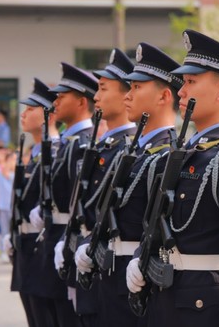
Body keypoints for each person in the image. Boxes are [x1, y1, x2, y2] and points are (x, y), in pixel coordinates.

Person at [126, 29, 219, 327]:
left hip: (205, 310)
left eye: (191, 82)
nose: (181, 91)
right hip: (169, 304)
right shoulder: (188, 153)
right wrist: (141, 255)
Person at [75, 42, 183, 327]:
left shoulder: (169, 155)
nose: (128, 95)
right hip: (111, 280)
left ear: (164, 96)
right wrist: (88, 244)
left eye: (136, 87)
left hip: (140, 285)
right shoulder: (134, 151)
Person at [57, 48, 136, 325]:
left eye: (103, 89)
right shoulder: (104, 146)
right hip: (90, 260)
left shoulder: (128, 149)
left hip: (111, 265)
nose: (96, 97)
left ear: (127, 95)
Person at [29, 62, 98, 327]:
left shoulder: (83, 143)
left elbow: (81, 201)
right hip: (55, 238)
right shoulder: (69, 142)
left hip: (69, 241)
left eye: (62, 96)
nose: (55, 101)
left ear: (81, 102)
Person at [4, 77, 60, 327]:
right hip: (26, 247)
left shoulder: (56, 152)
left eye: (31, 109)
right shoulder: (35, 153)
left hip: (42, 248)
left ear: (50, 114)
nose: (23, 114)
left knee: (46, 318)